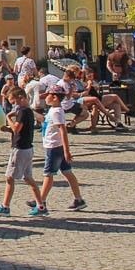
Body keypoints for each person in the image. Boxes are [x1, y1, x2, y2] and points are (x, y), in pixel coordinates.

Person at [0, 86, 42, 216]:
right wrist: (7, 129)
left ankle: (5, 206)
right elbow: (22, 130)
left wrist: (8, 118)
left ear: (21, 98)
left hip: (20, 149)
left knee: (9, 178)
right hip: (27, 148)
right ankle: (41, 206)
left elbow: (17, 129)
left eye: (13, 102)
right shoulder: (28, 111)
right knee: (28, 178)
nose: (13, 105)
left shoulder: (23, 112)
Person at [34, 84, 87, 214]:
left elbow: (63, 131)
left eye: (48, 95)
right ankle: (79, 199)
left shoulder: (57, 111)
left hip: (54, 147)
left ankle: (41, 202)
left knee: (48, 174)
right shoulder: (53, 110)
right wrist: (31, 111)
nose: (45, 97)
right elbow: (44, 120)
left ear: (55, 97)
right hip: (55, 146)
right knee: (67, 172)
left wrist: (66, 151)